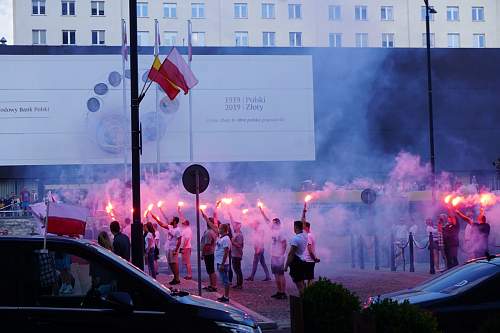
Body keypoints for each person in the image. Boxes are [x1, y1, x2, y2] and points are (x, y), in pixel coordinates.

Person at [259, 206, 287, 299]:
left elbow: (284, 243)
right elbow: (267, 221)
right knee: (276, 274)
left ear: (278, 224)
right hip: (274, 255)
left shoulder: (280, 232)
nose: (272, 224)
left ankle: (283, 292)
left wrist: (282, 254)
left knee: (280, 274)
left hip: (279, 256)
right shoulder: (273, 230)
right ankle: (279, 291)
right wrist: (262, 211)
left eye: (274, 223)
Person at [156, 216, 182, 285]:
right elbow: (161, 224)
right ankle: (175, 278)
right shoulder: (170, 227)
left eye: (172, 219)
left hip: (173, 248)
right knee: (170, 263)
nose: (170, 220)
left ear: (175, 221)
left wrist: (176, 250)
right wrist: (155, 218)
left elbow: (179, 241)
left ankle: (177, 279)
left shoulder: (178, 230)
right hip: (168, 248)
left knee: (174, 263)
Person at [285, 221, 308, 295]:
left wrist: (286, 266)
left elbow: (291, 254)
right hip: (303, 260)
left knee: (299, 284)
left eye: (294, 227)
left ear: (296, 227)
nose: (293, 229)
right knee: (302, 282)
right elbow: (303, 221)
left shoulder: (295, 239)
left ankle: (303, 300)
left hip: (296, 262)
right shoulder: (305, 235)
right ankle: (306, 297)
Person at [200, 210, 218, 292]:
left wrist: (202, 254)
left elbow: (207, 245)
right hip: (210, 252)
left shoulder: (209, 233)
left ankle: (213, 286)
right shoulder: (212, 231)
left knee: (211, 270)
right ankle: (211, 285)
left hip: (208, 253)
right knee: (210, 270)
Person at [215, 223, 232, 303]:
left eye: (220, 228)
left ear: (224, 230)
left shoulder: (226, 239)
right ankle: (225, 295)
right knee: (223, 280)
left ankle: (226, 297)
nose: (219, 229)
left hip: (223, 263)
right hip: (220, 262)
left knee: (225, 280)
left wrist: (222, 264)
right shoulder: (222, 238)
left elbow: (226, 252)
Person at [178, 206, 193, 280]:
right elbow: (182, 219)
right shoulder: (186, 229)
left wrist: (182, 248)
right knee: (186, 262)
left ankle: (189, 275)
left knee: (187, 262)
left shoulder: (187, 230)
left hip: (186, 248)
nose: (182, 224)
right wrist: (179, 211)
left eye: (183, 223)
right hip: (186, 247)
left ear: (186, 224)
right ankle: (188, 274)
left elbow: (186, 239)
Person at [303, 222, 320, 287]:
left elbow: (309, 250)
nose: (302, 229)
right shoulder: (309, 235)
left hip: (308, 260)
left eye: (303, 227)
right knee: (309, 278)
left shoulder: (308, 236)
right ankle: (308, 293)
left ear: (307, 227)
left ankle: (309, 294)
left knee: (310, 278)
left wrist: (314, 259)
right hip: (308, 260)